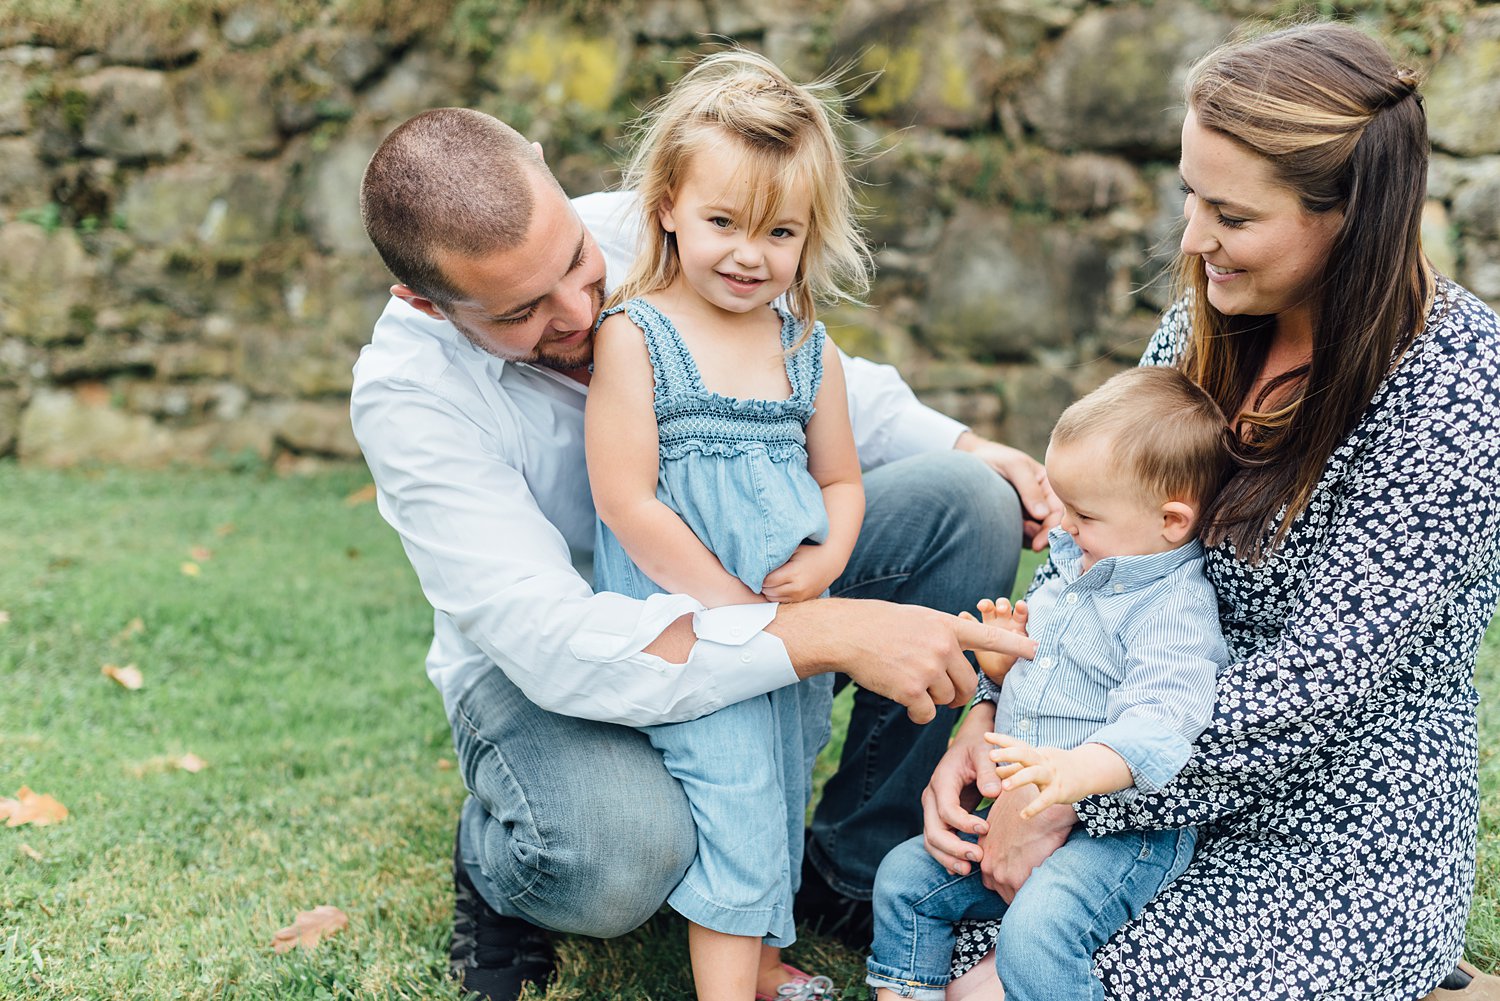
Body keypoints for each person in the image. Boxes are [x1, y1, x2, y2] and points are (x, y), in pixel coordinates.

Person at [351, 96, 1052, 1001]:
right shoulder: (408, 397)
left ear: (544, 163)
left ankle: (845, 870)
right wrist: (815, 632)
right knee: (620, 855)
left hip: (748, 573)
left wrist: (971, 447)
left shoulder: (654, 222)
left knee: (967, 502)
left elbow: (799, 364)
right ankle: (501, 864)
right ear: (425, 299)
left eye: (574, 261)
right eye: (524, 310)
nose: (580, 307)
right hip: (553, 669)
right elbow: (552, 640)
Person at [922, 22, 1500, 1001]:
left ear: (1349, 216)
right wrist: (997, 711)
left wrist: (1068, 785)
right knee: (931, 942)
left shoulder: (1457, 393)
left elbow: (1312, 689)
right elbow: (1089, 530)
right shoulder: (1206, 318)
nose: (1193, 239)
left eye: (1230, 213)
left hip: (1327, 832)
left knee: (992, 987)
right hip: (1133, 759)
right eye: (1193, 195)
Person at [585, 51, 869, 999]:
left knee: (783, 781)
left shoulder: (804, 344)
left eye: (779, 231)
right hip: (692, 625)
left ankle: (762, 962)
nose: (750, 255)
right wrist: (732, 606)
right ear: (667, 204)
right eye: (723, 223)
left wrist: (830, 551)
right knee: (738, 788)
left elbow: (840, 477)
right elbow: (627, 499)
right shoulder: (637, 335)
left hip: (784, 623)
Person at [866, 366, 1231, 1001]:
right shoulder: (1078, 565)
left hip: (1123, 835)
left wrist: (1075, 775)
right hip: (1029, 806)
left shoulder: (1172, 610)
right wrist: (1004, 674)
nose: (1061, 526)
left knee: (1036, 934)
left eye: (1083, 513)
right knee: (904, 877)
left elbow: (1165, 717)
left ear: (1172, 521)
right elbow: (1055, 679)